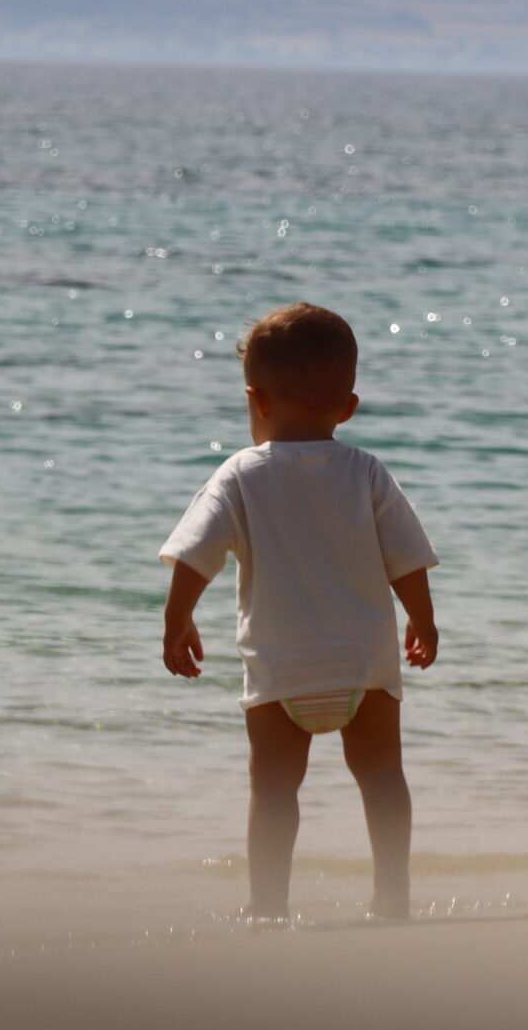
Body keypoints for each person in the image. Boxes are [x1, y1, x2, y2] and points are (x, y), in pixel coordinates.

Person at [158, 302, 440, 922]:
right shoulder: (366, 471)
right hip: (363, 666)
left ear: (257, 400)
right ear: (348, 407)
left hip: (282, 670)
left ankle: (268, 906)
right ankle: (392, 895)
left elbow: (195, 556)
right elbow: (406, 558)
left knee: (274, 791)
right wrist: (423, 621)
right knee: (383, 778)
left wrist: (177, 621)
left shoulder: (238, 475)